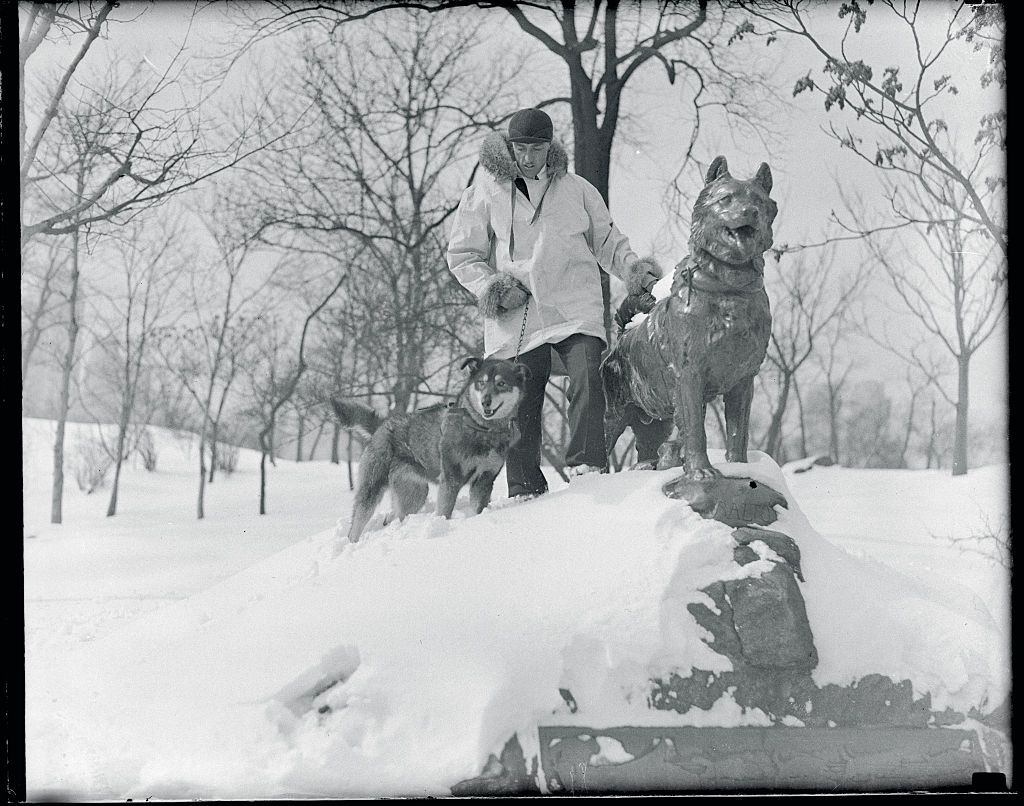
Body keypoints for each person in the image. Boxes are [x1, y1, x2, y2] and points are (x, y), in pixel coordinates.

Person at [447, 107, 661, 499]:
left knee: (588, 373)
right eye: (521, 148)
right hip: (518, 314)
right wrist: (493, 287)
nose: (528, 157)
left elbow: (609, 242)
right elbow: (462, 255)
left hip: (572, 305)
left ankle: (586, 466)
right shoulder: (485, 193)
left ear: (550, 147)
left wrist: (636, 272)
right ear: (510, 147)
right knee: (520, 396)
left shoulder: (577, 190)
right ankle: (525, 487)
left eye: (537, 148)